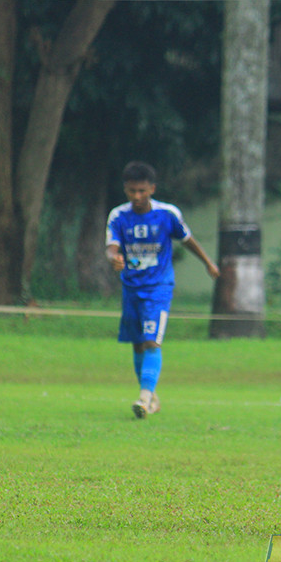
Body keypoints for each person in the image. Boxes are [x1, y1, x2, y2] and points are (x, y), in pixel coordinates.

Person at [106, 161, 219, 418]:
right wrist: (113, 257)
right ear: (125, 189)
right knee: (137, 345)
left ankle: (144, 398)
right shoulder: (118, 216)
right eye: (132, 191)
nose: (137, 196)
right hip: (131, 287)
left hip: (158, 287)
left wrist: (208, 263)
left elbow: (187, 239)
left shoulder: (167, 214)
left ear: (152, 189)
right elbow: (111, 245)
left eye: (142, 191)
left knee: (151, 341)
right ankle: (151, 397)